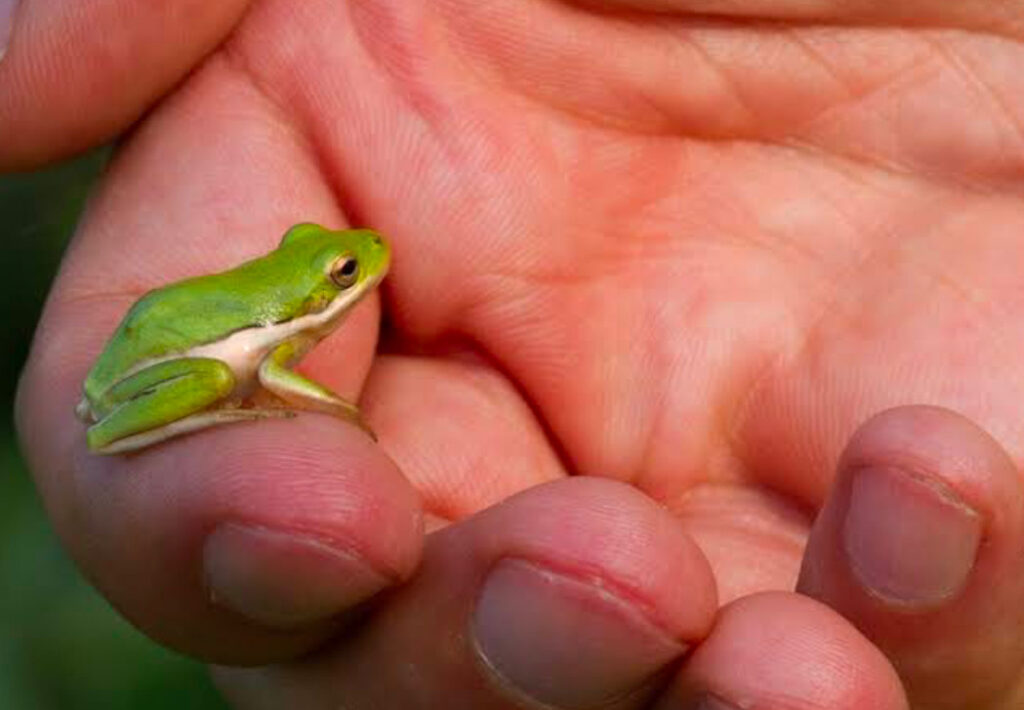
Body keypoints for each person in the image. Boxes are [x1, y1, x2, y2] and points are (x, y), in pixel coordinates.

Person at [8, 1, 1024, 707]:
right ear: (320, 298)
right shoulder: (289, 318)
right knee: (274, 454)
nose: (353, 278)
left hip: (191, 328)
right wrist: (289, 397)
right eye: (337, 282)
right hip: (163, 366)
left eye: (340, 276)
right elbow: (265, 366)